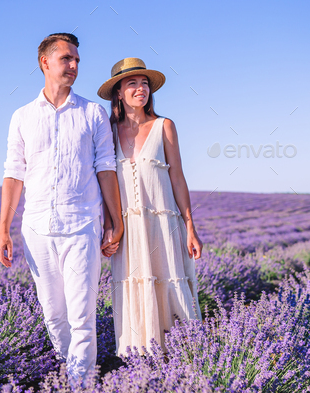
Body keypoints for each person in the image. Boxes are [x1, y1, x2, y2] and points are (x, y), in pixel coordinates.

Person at [0, 33, 124, 387]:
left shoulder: (92, 113)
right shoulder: (21, 116)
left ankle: (80, 385)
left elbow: (106, 168)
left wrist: (115, 221)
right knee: (54, 316)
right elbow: (13, 173)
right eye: (67, 59)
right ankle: (73, 373)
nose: (74, 66)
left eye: (77, 61)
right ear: (45, 63)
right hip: (36, 228)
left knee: (82, 316)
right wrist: (3, 228)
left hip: (82, 224)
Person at [97, 58, 203, 357]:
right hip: (128, 230)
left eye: (144, 83)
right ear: (118, 92)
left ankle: (185, 358)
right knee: (134, 286)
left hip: (164, 226)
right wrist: (110, 226)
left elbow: (178, 179)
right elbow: (104, 183)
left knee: (170, 284)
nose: (140, 88)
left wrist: (190, 228)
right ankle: (140, 363)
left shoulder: (164, 126)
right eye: (132, 83)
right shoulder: (108, 132)